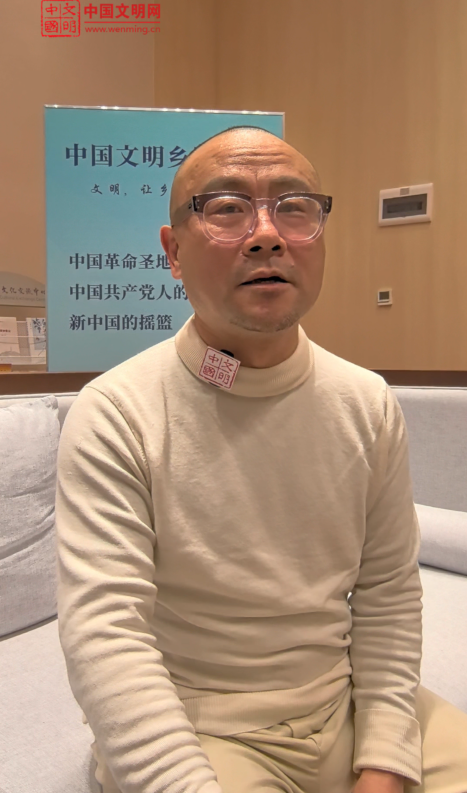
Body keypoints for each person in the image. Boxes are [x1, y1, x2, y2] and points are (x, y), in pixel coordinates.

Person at [55, 126, 467, 793]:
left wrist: (384, 761)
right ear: (173, 251)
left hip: (343, 702)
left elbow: (389, 592)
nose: (266, 235)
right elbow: (106, 635)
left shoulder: (366, 402)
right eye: (226, 208)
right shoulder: (116, 412)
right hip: (200, 726)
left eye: (293, 207)